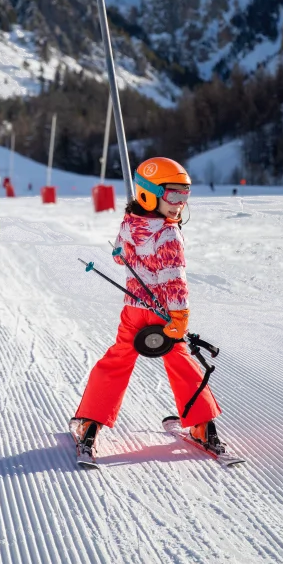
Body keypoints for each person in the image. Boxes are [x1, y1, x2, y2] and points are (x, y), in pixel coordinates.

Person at [71, 157, 221, 459]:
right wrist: (179, 316)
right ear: (149, 193)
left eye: (185, 195)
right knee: (180, 362)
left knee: (117, 361)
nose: (180, 204)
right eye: (173, 195)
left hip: (134, 310)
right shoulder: (168, 234)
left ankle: (90, 422)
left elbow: (118, 256)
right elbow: (174, 279)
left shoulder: (130, 223)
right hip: (164, 313)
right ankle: (202, 425)